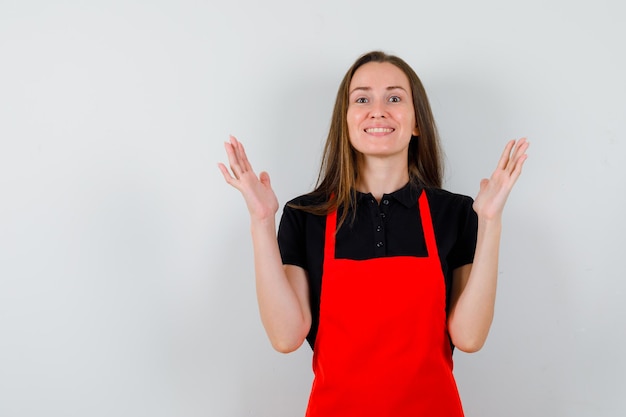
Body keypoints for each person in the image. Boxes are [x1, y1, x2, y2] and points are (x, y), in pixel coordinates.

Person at [218, 50, 528, 417]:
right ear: (346, 121)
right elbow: (286, 337)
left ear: (416, 123)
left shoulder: (457, 213)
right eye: (362, 99)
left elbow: (470, 337)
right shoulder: (305, 216)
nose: (377, 110)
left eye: (394, 98)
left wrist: (491, 221)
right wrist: (261, 221)